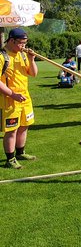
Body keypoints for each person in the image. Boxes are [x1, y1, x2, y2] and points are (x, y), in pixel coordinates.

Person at [0, 28, 38, 169]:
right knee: (12, 130)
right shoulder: (2, 56)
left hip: (25, 97)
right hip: (10, 99)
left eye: (25, 43)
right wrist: (13, 94)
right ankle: (10, 159)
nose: (23, 46)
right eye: (21, 43)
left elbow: (33, 74)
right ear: (11, 40)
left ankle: (21, 152)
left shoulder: (22, 55)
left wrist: (31, 59)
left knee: (24, 125)